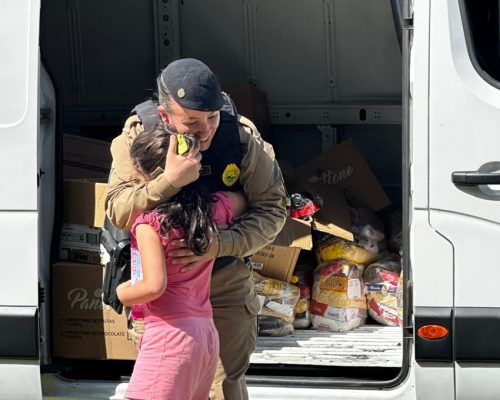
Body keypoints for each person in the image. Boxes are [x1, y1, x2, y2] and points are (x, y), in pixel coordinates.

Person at [105, 57, 288, 399]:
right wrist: (169, 182)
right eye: (191, 122)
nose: (205, 131)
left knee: (222, 390)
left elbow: (273, 210)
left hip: (223, 284)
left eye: (212, 118)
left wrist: (220, 243)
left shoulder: (239, 136)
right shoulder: (139, 133)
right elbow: (118, 208)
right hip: (162, 304)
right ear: (165, 116)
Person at [116, 126, 247, 400]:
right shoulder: (210, 211)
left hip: (169, 335)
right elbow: (241, 201)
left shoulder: (149, 224)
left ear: (144, 177)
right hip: (205, 335)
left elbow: (154, 286)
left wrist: (122, 293)